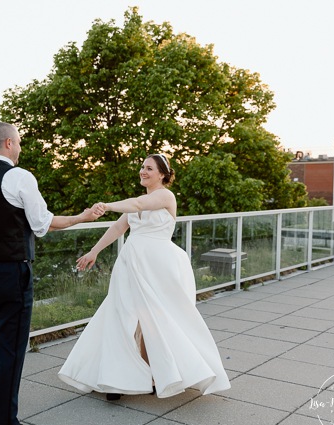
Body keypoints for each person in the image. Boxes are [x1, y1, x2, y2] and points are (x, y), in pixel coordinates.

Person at [0, 122, 103, 425]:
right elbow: (42, 224)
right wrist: (82, 217)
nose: (21, 148)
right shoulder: (19, 177)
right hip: (12, 271)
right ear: (9, 143)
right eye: (19, 143)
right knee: (11, 346)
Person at [58, 154, 231, 400]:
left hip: (158, 267)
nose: (143, 171)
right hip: (131, 264)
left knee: (155, 319)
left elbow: (138, 205)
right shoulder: (136, 202)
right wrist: (94, 252)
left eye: (149, 168)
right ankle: (116, 380)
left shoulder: (165, 196)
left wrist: (106, 205)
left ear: (162, 174)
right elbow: (119, 228)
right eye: (142, 167)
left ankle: (154, 375)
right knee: (122, 316)